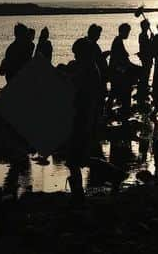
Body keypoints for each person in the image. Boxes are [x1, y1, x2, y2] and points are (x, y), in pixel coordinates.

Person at [65, 38, 102, 199]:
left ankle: (78, 194)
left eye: (77, 54)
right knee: (77, 158)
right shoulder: (89, 68)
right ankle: (77, 192)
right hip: (83, 116)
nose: (75, 57)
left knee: (75, 158)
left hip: (83, 116)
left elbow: (76, 86)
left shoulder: (89, 70)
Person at [107, 23, 141, 118]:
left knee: (114, 92)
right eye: (127, 32)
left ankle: (109, 110)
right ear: (122, 31)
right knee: (123, 92)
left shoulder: (117, 41)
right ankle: (124, 111)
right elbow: (122, 60)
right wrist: (134, 67)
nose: (128, 34)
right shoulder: (118, 42)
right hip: (118, 72)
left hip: (117, 71)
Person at [136, 18, 154, 103]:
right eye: (147, 26)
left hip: (145, 56)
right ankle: (143, 88)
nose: (148, 27)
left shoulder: (143, 35)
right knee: (146, 71)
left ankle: (144, 87)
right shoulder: (143, 35)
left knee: (146, 71)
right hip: (146, 56)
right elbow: (147, 46)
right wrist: (151, 39)